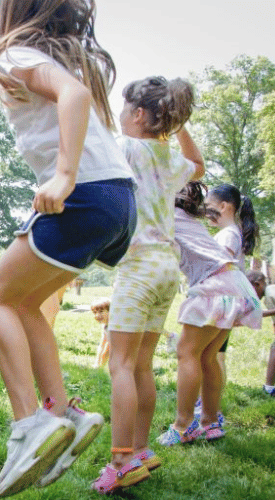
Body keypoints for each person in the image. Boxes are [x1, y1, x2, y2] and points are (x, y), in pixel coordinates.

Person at [0, 1, 137, 497]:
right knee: (25, 304)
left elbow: (73, 96)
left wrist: (64, 174)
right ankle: (62, 411)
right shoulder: (51, 57)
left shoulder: (8, 53)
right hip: (117, 197)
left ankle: (30, 424)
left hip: (86, 191)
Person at [92, 76, 205, 495]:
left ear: (138, 115)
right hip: (166, 269)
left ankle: (120, 459)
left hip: (138, 267)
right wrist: (177, 126)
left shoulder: (127, 148)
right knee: (141, 365)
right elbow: (200, 165)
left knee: (120, 365)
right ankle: (139, 449)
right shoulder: (169, 157)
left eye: (126, 109)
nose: (120, 116)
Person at [158, 182, 262, 446]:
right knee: (207, 356)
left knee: (187, 352)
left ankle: (182, 426)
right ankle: (210, 421)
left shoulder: (166, 213)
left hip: (214, 285)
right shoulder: (190, 219)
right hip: (234, 284)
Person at [203, 184, 259, 402]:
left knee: (211, 356)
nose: (204, 211)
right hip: (226, 301)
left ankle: (209, 404)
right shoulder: (232, 233)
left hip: (221, 301)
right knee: (216, 355)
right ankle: (211, 405)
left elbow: (219, 267)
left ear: (224, 206)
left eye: (208, 206)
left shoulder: (228, 235)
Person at [245, 270, 275, 396]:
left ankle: (268, 387)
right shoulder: (270, 290)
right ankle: (268, 387)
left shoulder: (269, 295)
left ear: (258, 284)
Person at [91, 299, 111, 369]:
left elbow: (107, 349)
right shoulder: (105, 325)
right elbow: (102, 345)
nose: (97, 315)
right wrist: (97, 363)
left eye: (101, 311)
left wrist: (100, 366)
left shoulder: (113, 327)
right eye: (94, 312)